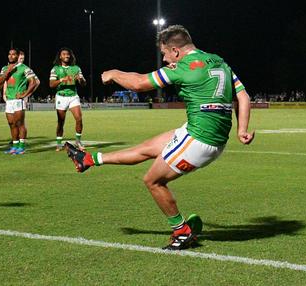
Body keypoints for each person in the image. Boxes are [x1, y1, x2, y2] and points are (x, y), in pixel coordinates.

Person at [65, 25, 254, 250]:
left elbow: (138, 83)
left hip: (201, 139)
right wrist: (242, 129)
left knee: (153, 181)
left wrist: (114, 74)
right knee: (147, 148)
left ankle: (182, 231)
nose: (164, 59)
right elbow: (243, 96)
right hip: (204, 132)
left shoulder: (183, 68)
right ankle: (88, 160)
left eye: (164, 53)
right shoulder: (218, 61)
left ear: (175, 50)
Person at [0, 48, 37, 155]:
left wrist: (25, 94)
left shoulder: (24, 68)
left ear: (17, 56)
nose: (11, 56)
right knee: (11, 124)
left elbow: (33, 82)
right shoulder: (4, 68)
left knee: (19, 123)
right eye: (9, 54)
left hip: (18, 100)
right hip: (9, 100)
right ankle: (15, 146)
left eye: (13, 54)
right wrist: (8, 71)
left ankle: (22, 146)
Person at [49, 47, 86, 151]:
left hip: (73, 96)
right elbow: (51, 84)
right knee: (61, 121)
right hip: (61, 96)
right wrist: (62, 79)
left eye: (68, 54)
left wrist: (81, 79)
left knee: (79, 118)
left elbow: (84, 84)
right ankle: (59, 143)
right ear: (60, 56)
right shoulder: (55, 69)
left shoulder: (76, 68)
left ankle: (78, 141)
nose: (67, 56)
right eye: (64, 54)